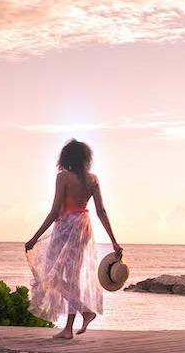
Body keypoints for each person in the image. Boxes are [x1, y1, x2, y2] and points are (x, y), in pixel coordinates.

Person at [24, 139, 123, 339]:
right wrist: (114, 240)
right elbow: (101, 211)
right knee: (73, 277)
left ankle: (85, 311)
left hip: (66, 227)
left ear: (66, 157)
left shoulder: (63, 177)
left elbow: (54, 212)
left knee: (50, 273)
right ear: (86, 158)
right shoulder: (92, 179)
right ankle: (68, 329)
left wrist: (35, 238)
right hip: (83, 227)